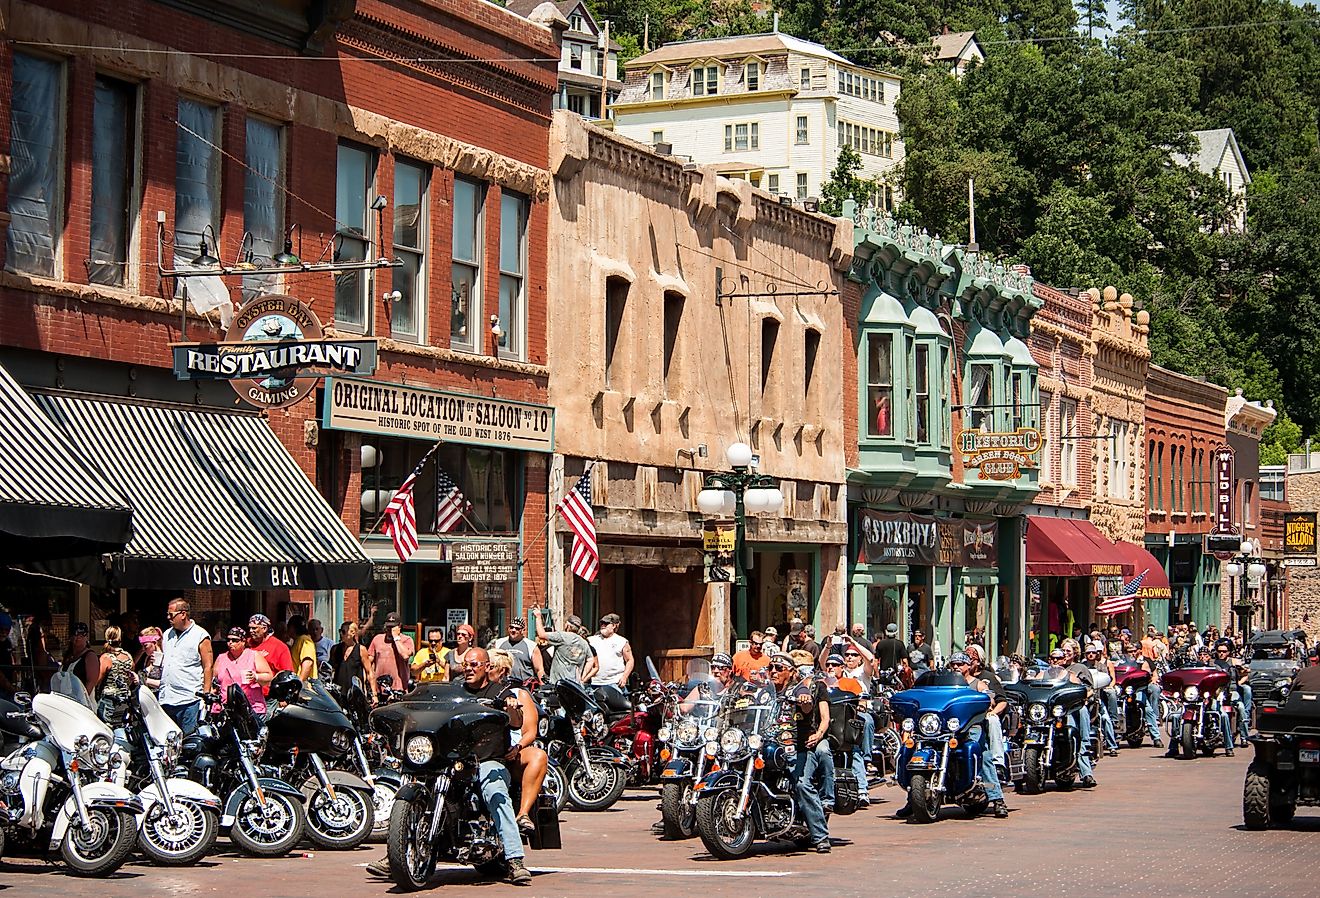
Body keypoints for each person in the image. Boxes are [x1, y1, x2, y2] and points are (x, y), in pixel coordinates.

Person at [459, 648, 538, 885]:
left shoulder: (501, 692)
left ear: (486, 666)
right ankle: (396, 854)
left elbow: (516, 724)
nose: (469, 669)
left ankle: (515, 860)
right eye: (465, 665)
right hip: (455, 761)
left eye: (474, 665)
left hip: (488, 760)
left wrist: (512, 707)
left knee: (495, 792)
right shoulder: (455, 690)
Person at [767, 650, 831, 852]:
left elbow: (806, 704)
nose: (773, 672)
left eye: (779, 668)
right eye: (770, 668)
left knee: (802, 784)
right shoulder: (765, 692)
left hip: (797, 747)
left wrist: (805, 700)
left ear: (792, 672)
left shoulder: (799, 689)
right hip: (768, 747)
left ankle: (820, 836)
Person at [488, 649, 550, 836]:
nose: (486, 670)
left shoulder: (517, 694)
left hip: (508, 753)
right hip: (478, 753)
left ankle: (522, 814)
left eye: (491, 667)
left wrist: (517, 748)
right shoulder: (468, 690)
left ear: (502, 672)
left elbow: (530, 731)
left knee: (538, 756)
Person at [948, 651, 1009, 818]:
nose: (956, 667)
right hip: (948, 729)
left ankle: (997, 800)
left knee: (983, 754)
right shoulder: (946, 684)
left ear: (969, 666)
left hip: (972, 727)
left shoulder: (978, 684)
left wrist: (986, 699)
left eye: (960, 664)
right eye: (953, 664)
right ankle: (913, 799)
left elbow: (991, 701)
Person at [158, 599, 214, 734]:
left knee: (189, 743)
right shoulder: (167, 635)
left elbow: (208, 666)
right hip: (166, 698)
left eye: (171, 615)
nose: (168, 618)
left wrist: (205, 696)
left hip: (189, 700)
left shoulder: (200, 635)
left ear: (183, 614)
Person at [212, 626, 274, 715]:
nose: (230, 643)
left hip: (251, 709)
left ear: (243, 641)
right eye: (228, 640)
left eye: (235, 640)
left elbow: (269, 677)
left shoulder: (253, 656)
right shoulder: (221, 658)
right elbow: (214, 682)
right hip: (226, 709)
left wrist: (256, 676)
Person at [531, 608, 594, 684]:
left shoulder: (562, 636)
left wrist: (538, 617)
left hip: (559, 684)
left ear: (567, 625)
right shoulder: (583, 642)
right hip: (576, 685)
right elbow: (591, 660)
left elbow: (541, 635)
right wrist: (582, 677)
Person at [95, 626, 137, 732]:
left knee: (106, 729)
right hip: (124, 700)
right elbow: (131, 677)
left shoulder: (106, 658)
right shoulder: (128, 657)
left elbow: (96, 680)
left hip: (109, 700)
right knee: (122, 729)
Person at [1202, 643, 1238, 756]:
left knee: (1222, 715)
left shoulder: (1215, 667)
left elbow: (1224, 680)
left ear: (1209, 656)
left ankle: (1228, 746)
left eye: (1205, 655)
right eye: (1200, 655)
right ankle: (1173, 747)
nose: (1203, 657)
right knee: (1177, 716)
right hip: (1195, 700)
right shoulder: (1193, 667)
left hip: (1212, 699)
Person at [1084, 641, 1120, 756]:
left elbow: (1106, 680)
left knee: (1105, 719)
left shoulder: (1101, 666)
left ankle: (1112, 746)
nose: (1090, 655)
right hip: (1084, 699)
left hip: (1097, 699)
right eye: (1088, 653)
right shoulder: (1082, 666)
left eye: (1093, 653)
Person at [329, 621, 377, 701]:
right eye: (340, 631)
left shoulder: (361, 649)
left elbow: (369, 672)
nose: (341, 634)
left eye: (343, 632)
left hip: (355, 694)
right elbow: (330, 669)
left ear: (353, 633)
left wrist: (374, 694)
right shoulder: (335, 649)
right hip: (338, 692)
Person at [368, 612, 415, 691]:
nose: (390, 629)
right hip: (380, 687)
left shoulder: (406, 640)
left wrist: (396, 637)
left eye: (393, 626)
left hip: (399, 687)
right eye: (388, 626)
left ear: (399, 626)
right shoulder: (377, 639)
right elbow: (369, 661)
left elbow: (405, 656)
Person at [490, 618, 544, 683]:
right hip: (503, 684)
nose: (513, 630)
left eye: (517, 629)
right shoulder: (499, 643)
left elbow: (539, 669)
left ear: (522, 630)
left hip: (523, 685)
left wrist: (543, 685)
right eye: (511, 627)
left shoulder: (531, 646)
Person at [588, 613, 633, 689]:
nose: (603, 625)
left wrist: (624, 677)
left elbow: (630, 660)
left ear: (614, 625)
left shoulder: (622, 641)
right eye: (602, 623)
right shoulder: (591, 640)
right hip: (594, 683)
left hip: (615, 683)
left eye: (606, 623)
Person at [61, 623, 100, 691]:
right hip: (65, 698)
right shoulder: (68, 656)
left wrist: (82, 699)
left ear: (86, 637)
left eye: (82, 635)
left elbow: (91, 682)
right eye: (75, 634)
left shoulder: (90, 656)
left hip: (81, 699)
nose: (78, 637)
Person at [287, 615, 318, 682]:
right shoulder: (298, 641)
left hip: (304, 688)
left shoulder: (305, 640)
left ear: (292, 628)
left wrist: (300, 682)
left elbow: (308, 662)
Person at [136, 626, 164, 692]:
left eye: (145, 645)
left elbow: (165, 683)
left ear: (154, 643)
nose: (143, 649)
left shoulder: (164, 658)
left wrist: (143, 680)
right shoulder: (147, 658)